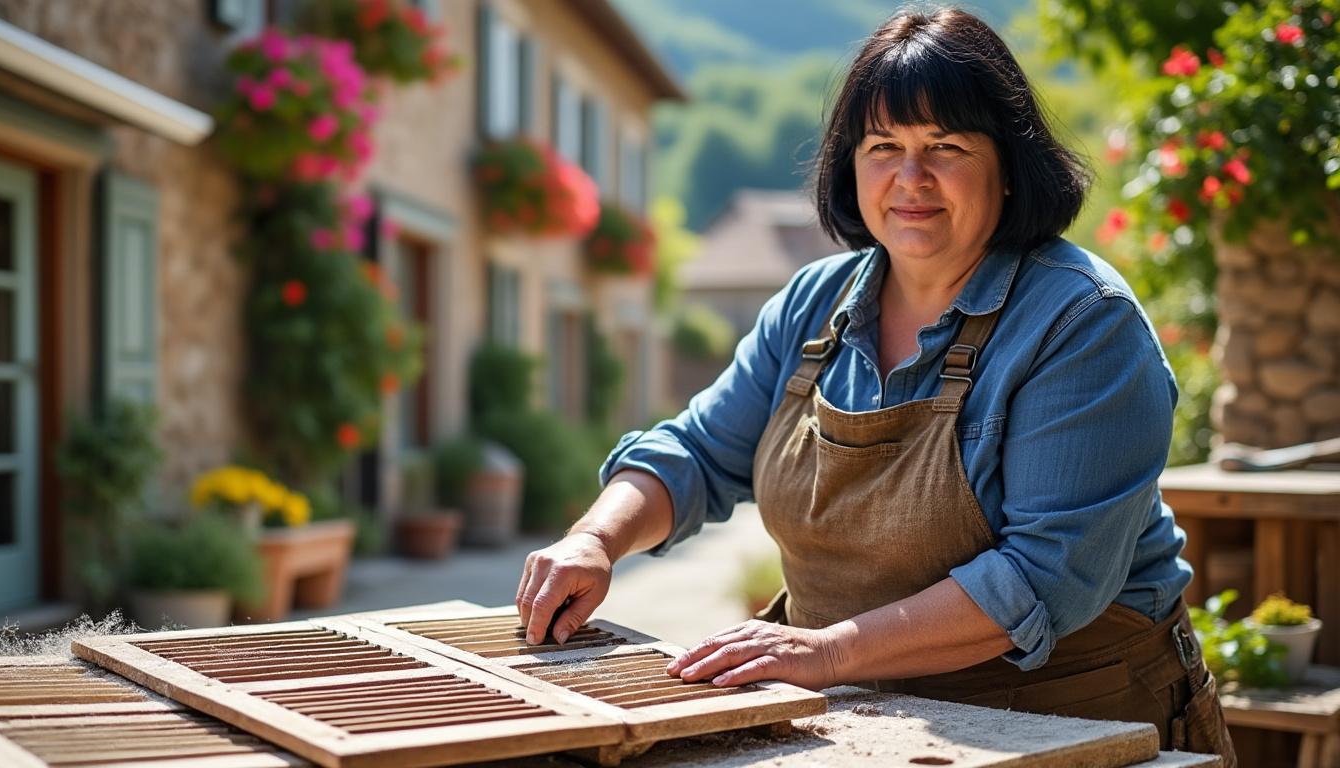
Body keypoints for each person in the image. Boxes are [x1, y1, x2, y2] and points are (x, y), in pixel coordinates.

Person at [516, 7, 1234, 763]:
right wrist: (596, 539)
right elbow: (695, 454)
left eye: (945, 147)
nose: (909, 178)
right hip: (863, 716)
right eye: (883, 146)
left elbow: (1043, 579)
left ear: (1009, 165)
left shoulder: (1084, 322)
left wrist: (824, 653)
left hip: (1078, 715)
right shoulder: (812, 303)